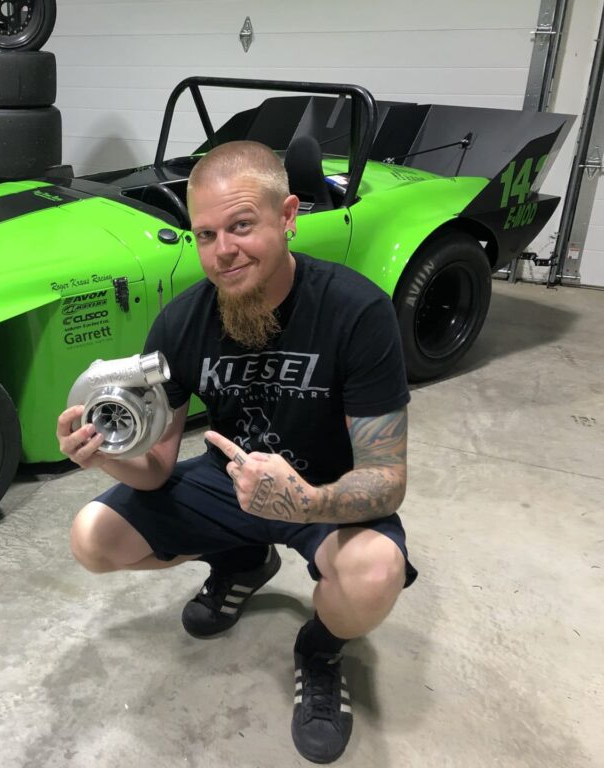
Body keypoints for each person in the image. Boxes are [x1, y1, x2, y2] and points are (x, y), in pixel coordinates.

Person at [56, 140, 418, 764]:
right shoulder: (180, 323)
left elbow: (386, 478)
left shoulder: (357, 311)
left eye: (242, 225)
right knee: (94, 537)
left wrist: (305, 502)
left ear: (288, 217)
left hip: (323, 491)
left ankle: (321, 648)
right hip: (230, 481)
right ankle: (245, 560)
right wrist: (105, 456)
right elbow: (158, 467)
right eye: (204, 234)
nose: (222, 251)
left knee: (373, 575)